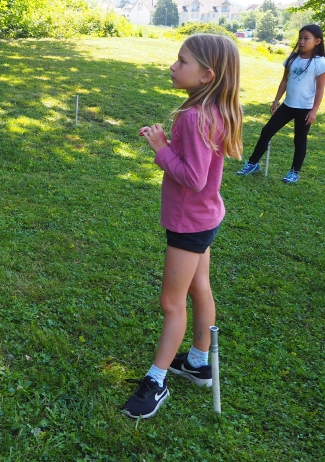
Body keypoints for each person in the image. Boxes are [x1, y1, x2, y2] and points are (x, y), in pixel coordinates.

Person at [121, 34, 243, 419]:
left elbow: (192, 177)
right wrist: (168, 145)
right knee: (200, 287)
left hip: (189, 224)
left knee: (172, 303)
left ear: (207, 75)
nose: (173, 66)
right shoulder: (214, 109)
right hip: (206, 218)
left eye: (182, 61)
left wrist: (161, 148)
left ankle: (156, 381)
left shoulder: (193, 117)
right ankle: (197, 362)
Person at [236, 24, 325, 184]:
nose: (302, 41)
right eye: (300, 38)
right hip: (287, 106)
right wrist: (277, 100)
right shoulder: (292, 59)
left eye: (306, 38)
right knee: (267, 131)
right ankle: (253, 164)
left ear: (317, 41)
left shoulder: (320, 62)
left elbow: (320, 88)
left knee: (299, 140)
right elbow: (284, 81)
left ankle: (294, 172)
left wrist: (314, 110)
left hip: (305, 109)